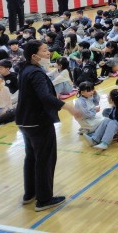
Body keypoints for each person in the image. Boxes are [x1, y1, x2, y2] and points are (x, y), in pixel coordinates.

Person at [15, 40, 82, 211]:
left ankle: (30, 193)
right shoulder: (36, 73)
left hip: (24, 121)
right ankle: (44, 199)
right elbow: (44, 96)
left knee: (31, 157)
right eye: (44, 50)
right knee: (45, 159)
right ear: (34, 56)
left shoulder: (25, 69)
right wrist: (68, 107)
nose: (48, 53)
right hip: (38, 122)